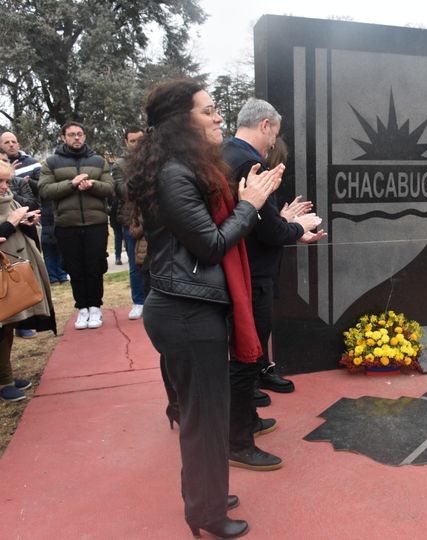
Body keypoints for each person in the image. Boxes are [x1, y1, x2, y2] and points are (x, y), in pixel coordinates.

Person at [129, 79, 280, 538]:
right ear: (180, 121)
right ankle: (206, 514)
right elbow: (212, 246)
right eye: (208, 110)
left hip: (191, 309)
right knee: (204, 419)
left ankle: (204, 494)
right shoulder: (175, 173)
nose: (219, 118)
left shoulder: (182, 167)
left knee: (204, 416)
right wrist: (251, 204)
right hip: (186, 313)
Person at [222, 98, 324, 471]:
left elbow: (253, 218)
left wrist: (280, 219)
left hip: (246, 269)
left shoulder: (226, 154)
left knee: (247, 352)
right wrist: (298, 228)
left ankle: (246, 421)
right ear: (265, 126)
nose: (271, 145)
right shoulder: (248, 163)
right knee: (246, 355)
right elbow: (264, 228)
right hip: (251, 273)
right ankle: (238, 438)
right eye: (273, 135)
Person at [39, 121, 115, 330]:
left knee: (94, 266)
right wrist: (71, 184)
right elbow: (45, 190)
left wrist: (92, 185)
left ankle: (95, 307)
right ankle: (82, 308)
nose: (76, 138)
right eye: (71, 134)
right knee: (75, 267)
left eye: (79, 134)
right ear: (64, 137)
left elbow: (110, 188)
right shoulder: (51, 162)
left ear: (84, 136)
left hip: (96, 223)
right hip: (66, 224)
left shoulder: (98, 161)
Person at [0, 161, 55, 401]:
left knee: (9, 326)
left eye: (6, 181)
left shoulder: (9, 200)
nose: (4, 187)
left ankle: (5, 376)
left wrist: (26, 223)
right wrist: (11, 223)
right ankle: (4, 382)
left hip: (13, 273)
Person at [111, 127, 147, 319]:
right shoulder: (119, 165)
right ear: (126, 142)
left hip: (153, 218)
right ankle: (138, 301)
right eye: (133, 141)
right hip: (131, 220)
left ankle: (152, 300)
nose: (137, 144)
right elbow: (124, 192)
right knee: (135, 264)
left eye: (140, 140)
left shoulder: (155, 159)